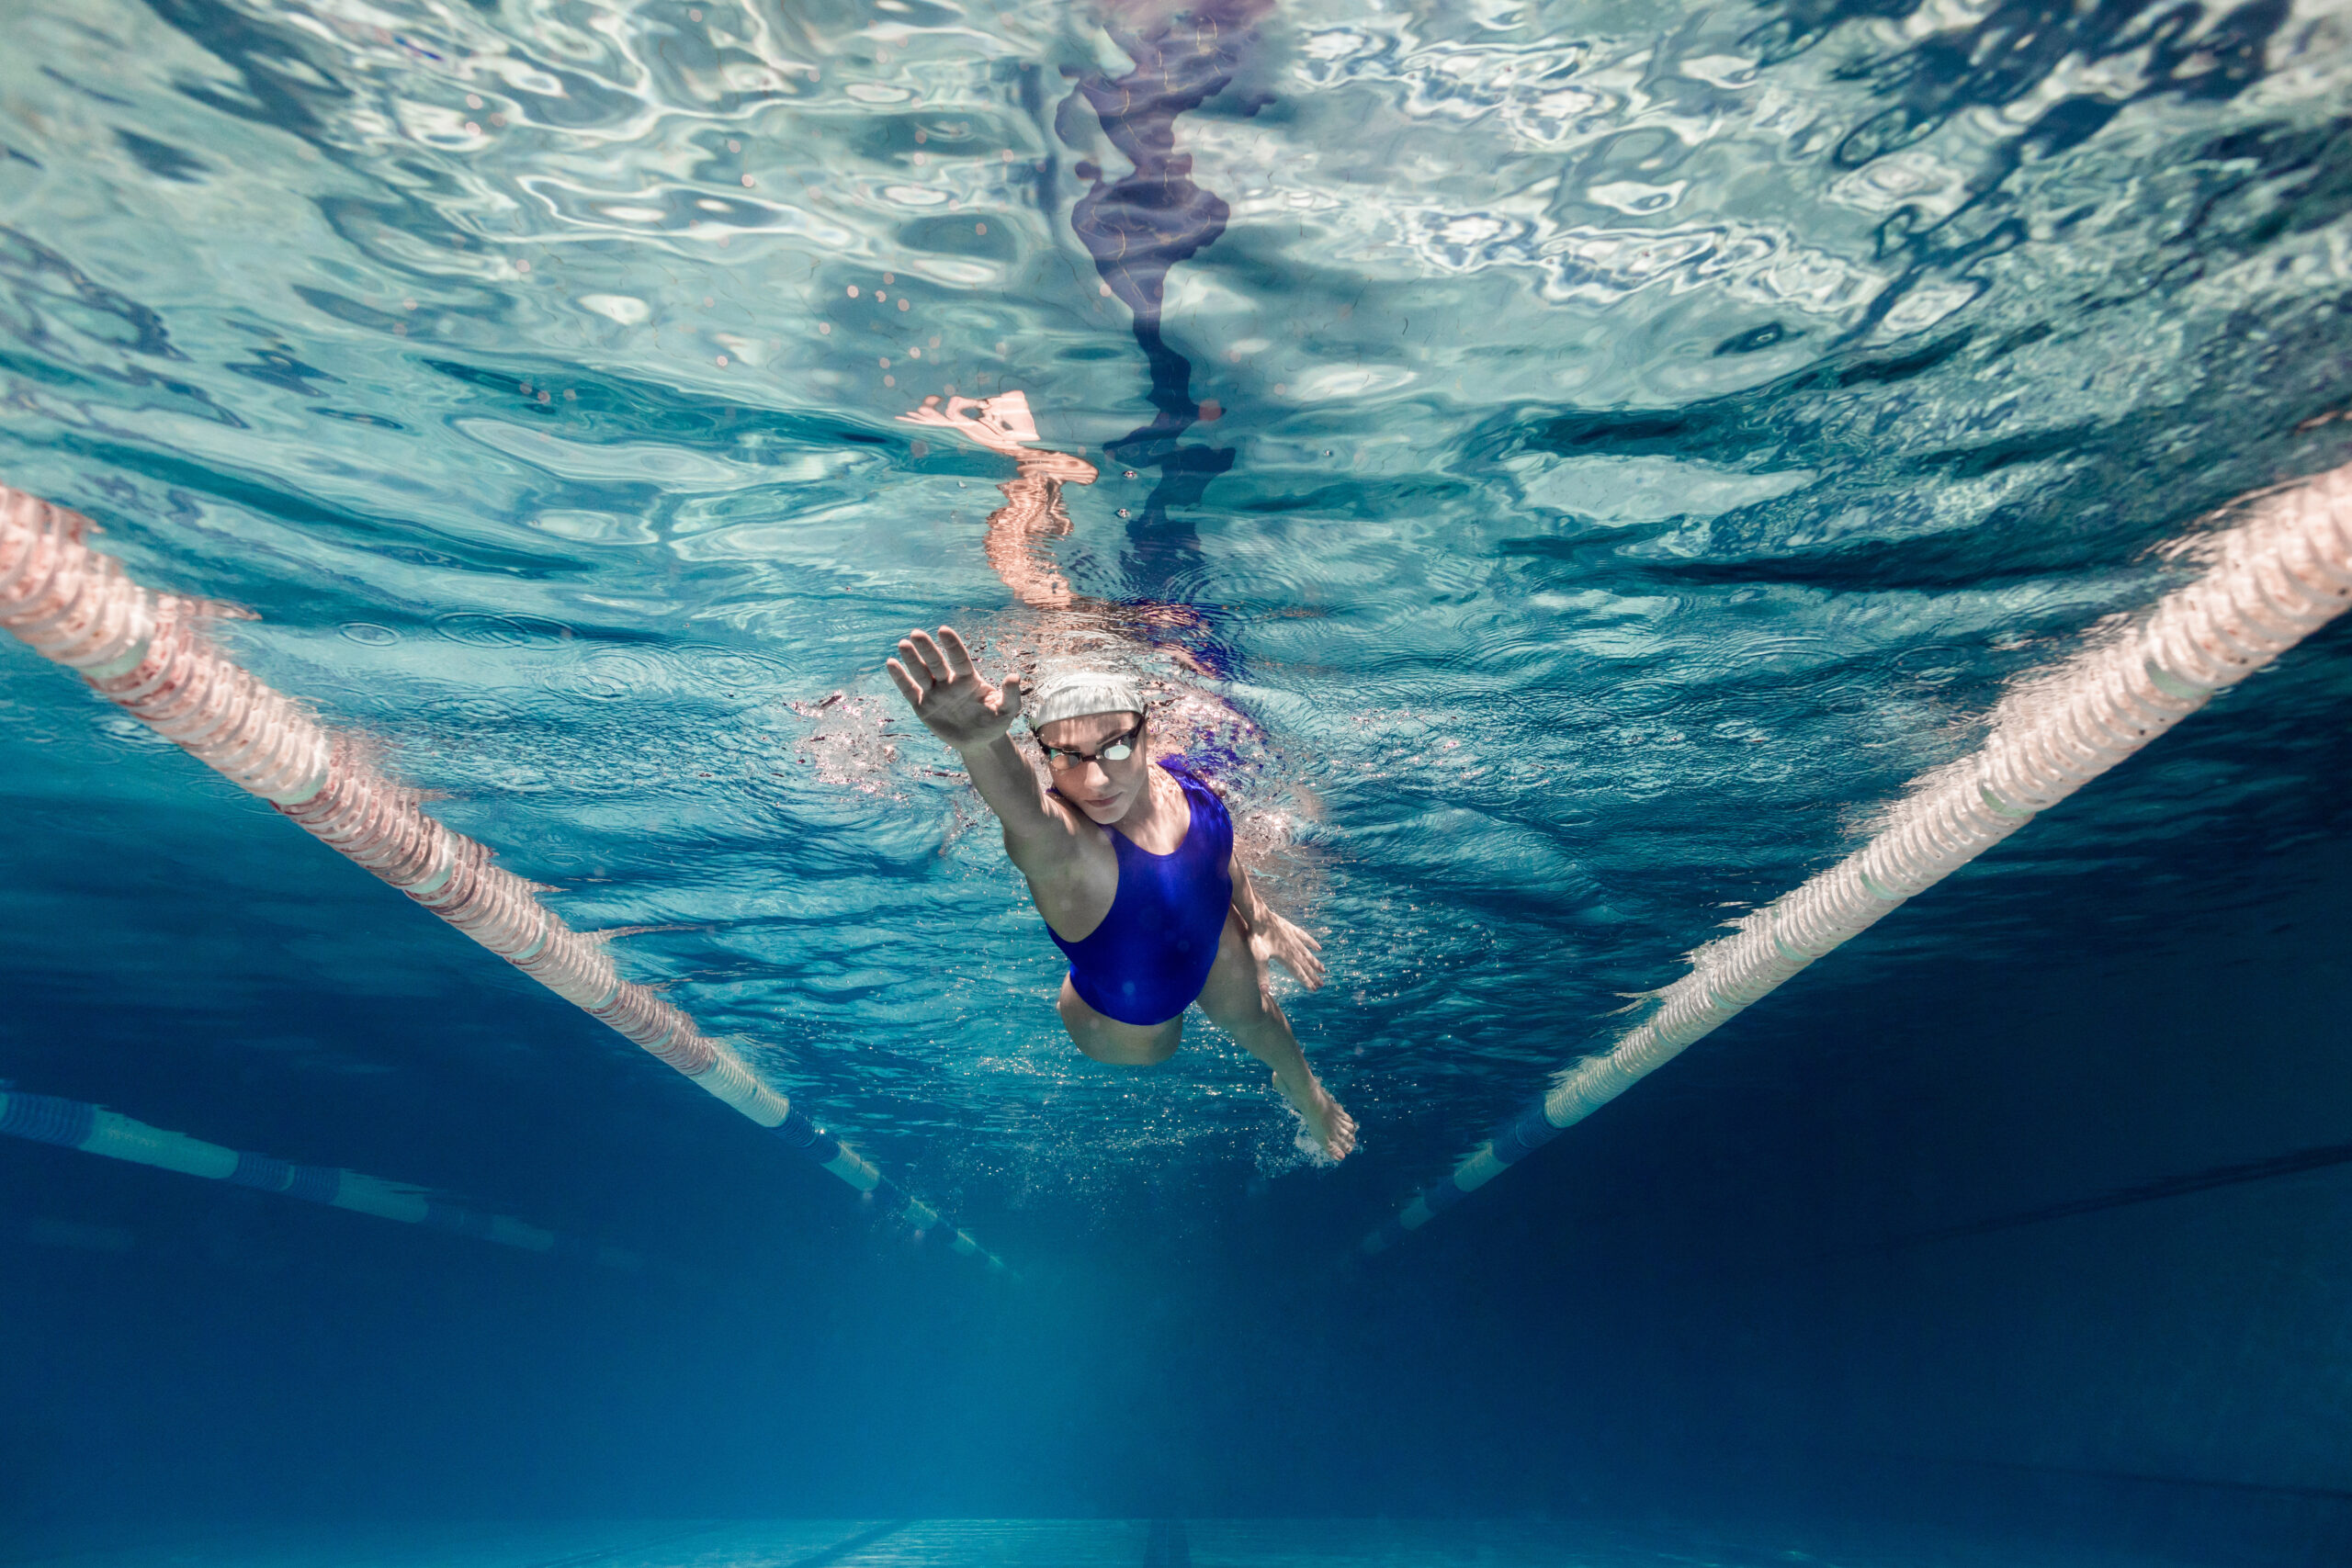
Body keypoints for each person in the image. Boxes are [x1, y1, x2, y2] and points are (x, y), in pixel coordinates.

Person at [885, 626, 1357, 1160]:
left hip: (1194, 941)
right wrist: (983, 743)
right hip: (1119, 1019)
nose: (1096, 781)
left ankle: (1307, 1091)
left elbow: (1215, 854)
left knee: (1250, 1009)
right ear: (1044, 757)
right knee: (1159, 1045)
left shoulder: (1179, 783)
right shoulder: (1066, 848)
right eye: (1066, 756)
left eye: (1115, 747)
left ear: (1147, 737)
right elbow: (1024, 811)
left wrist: (1262, 916)